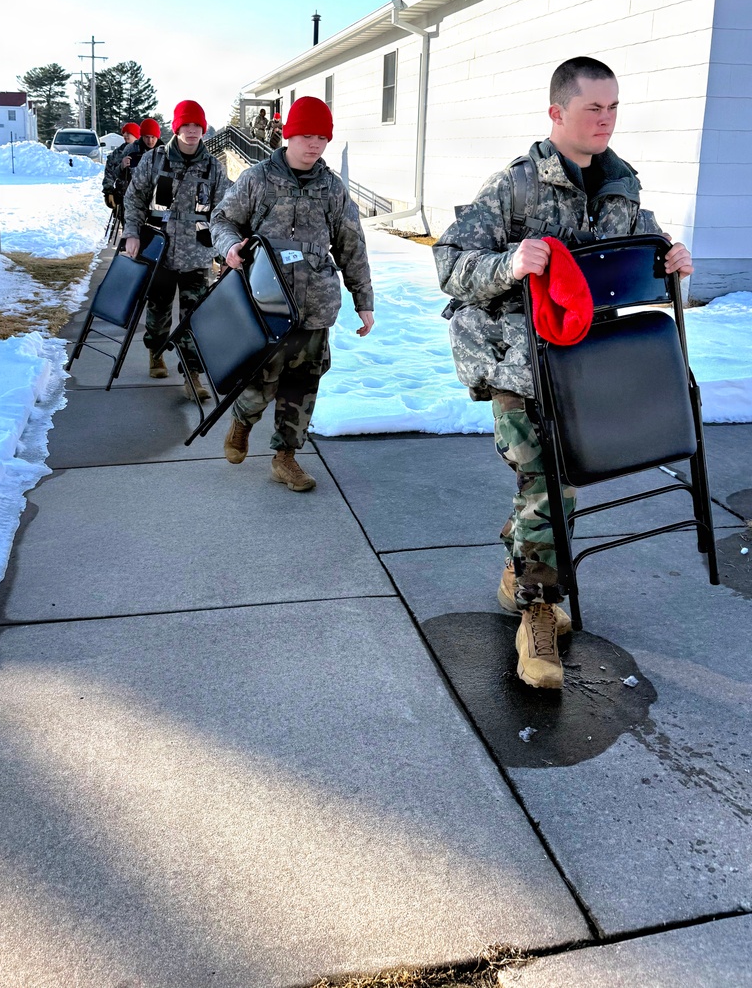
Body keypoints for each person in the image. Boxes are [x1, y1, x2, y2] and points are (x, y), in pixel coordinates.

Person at [433, 57, 693, 691]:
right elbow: (449, 264)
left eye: (612, 108)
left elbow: (642, 250)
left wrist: (673, 259)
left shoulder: (620, 183)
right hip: (515, 360)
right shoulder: (515, 186)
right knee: (551, 484)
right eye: (591, 109)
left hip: (586, 364)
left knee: (554, 482)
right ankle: (538, 614)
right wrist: (509, 264)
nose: (604, 121)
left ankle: (519, 563)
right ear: (556, 113)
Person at [211, 95, 374, 492]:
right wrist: (230, 246)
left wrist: (363, 301)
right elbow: (222, 218)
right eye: (305, 135)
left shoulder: (332, 189)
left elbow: (352, 245)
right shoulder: (258, 179)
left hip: (315, 307)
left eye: (321, 136)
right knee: (261, 383)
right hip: (266, 302)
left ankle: (285, 458)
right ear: (288, 136)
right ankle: (242, 422)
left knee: (302, 386)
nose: (314, 144)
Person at [122, 102, 230, 396]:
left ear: (203, 129)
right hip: (160, 250)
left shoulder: (213, 167)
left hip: (198, 253)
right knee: (158, 311)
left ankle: (192, 375)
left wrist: (225, 252)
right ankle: (155, 351)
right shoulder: (154, 159)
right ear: (177, 127)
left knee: (194, 315)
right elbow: (134, 199)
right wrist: (131, 234)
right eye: (186, 125)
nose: (192, 131)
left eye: (197, 126)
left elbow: (223, 212)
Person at [102, 121, 141, 212]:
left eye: (129, 133)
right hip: (121, 196)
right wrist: (108, 191)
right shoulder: (118, 153)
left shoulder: (145, 151)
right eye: (124, 133)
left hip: (140, 197)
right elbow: (109, 172)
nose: (126, 135)